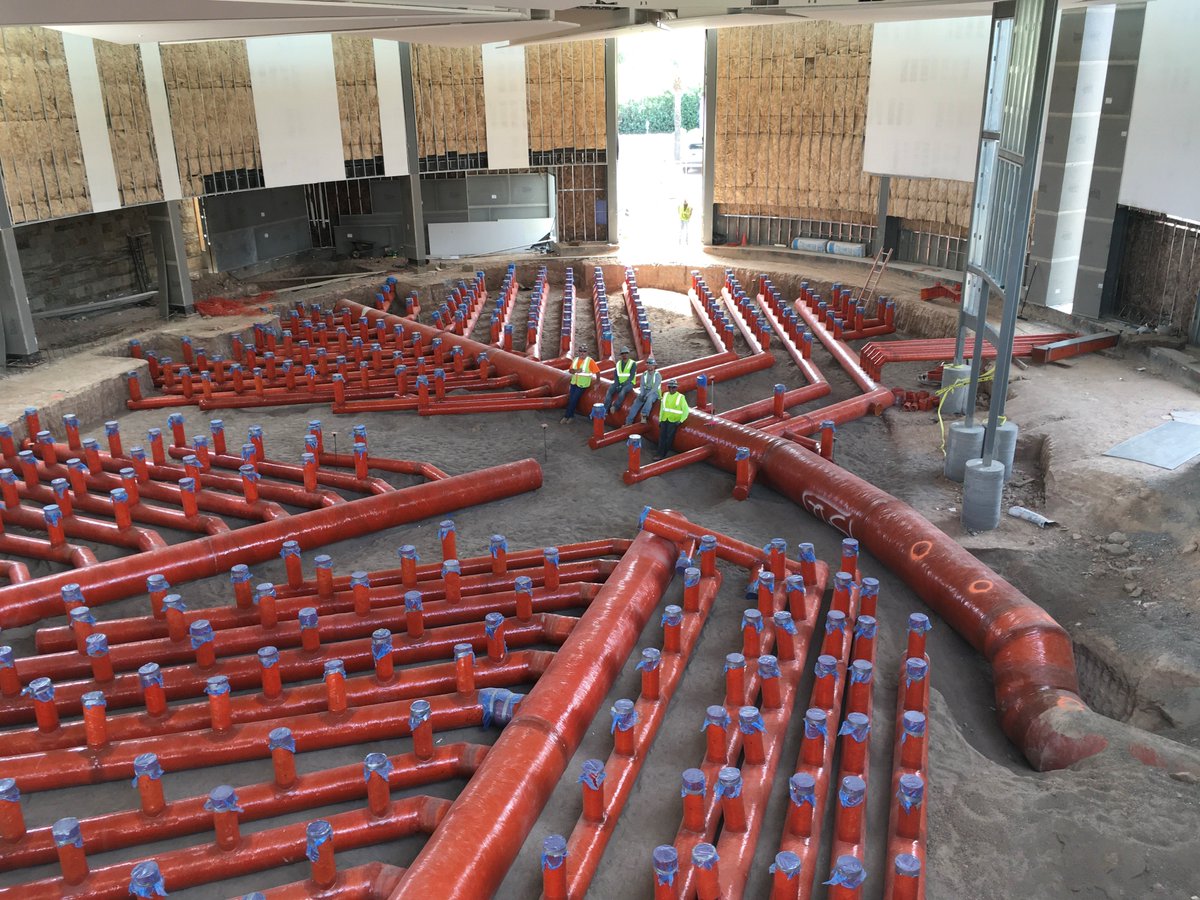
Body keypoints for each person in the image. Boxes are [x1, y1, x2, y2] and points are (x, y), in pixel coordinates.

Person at [561, 344, 599, 423]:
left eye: (584, 351)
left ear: (587, 352)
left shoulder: (590, 361)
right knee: (571, 399)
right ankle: (570, 416)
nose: (582, 353)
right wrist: (576, 371)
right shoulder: (575, 360)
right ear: (578, 352)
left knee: (573, 400)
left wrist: (597, 383)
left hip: (583, 384)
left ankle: (567, 416)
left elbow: (598, 372)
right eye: (581, 351)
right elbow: (570, 371)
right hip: (574, 382)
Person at [625, 356, 662, 426]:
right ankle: (628, 421)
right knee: (637, 401)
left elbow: (655, 388)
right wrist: (642, 394)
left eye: (651, 365)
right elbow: (642, 385)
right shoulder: (644, 374)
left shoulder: (658, 375)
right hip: (645, 391)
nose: (649, 366)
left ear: (654, 366)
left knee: (649, 399)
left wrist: (646, 396)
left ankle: (644, 415)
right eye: (648, 365)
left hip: (654, 393)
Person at [657, 379, 690, 456]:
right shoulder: (665, 395)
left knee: (669, 438)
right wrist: (660, 419)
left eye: (673, 387)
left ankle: (663, 454)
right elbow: (662, 408)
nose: (671, 389)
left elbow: (686, 410)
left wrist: (681, 421)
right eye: (670, 387)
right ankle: (660, 453)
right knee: (662, 438)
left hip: (674, 421)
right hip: (665, 419)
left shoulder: (680, 397)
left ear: (676, 388)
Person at [603, 347, 637, 416]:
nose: (624, 355)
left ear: (628, 354)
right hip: (619, 382)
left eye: (626, 353)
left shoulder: (632, 363)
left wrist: (622, 385)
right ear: (621, 355)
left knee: (623, 391)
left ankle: (615, 407)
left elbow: (631, 377)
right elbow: (615, 374)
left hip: (629, 383)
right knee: (609, 390)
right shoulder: (618, 364)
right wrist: (617, 383)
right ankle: (605, 409)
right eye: (623, 354)